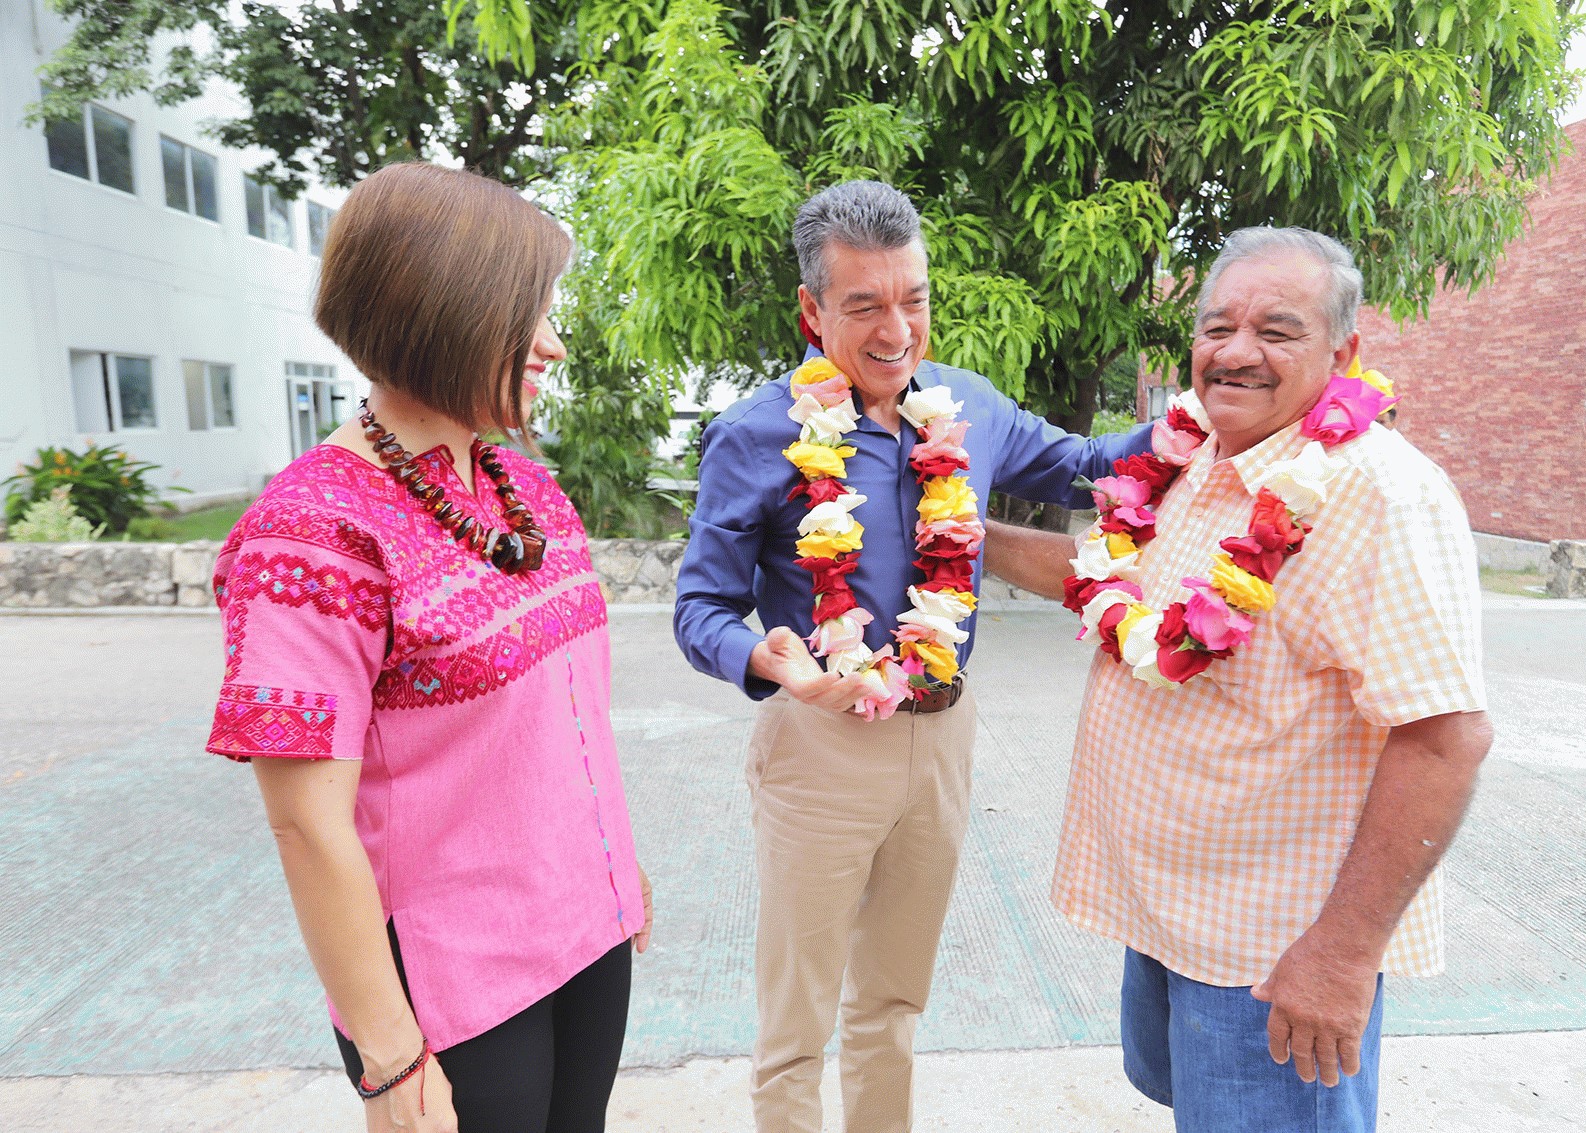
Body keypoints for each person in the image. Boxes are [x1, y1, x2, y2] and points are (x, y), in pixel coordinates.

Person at [986, 226, 1493, 1133]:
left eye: (1278, 330)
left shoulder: (1382, 496)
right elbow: (1110, 584)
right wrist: (966, 542)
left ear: (1343, 353)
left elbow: (1445, 738)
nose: (1237, 351)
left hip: (1275, 952)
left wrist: (1340, 956)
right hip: (1173, 916)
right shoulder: (1196, 457)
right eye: (1217, 326)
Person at [673, 179, 1153, 1133]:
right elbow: (700, 606)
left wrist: (1209, 420)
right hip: (821, 742)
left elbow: (1091, 464)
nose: (898, 330)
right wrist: (770, 659)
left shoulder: (963, 404)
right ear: (811, 312)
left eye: (914, 298)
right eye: (865, 306)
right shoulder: (759, 433)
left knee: (893, 1002)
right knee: (797, 1019)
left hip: (942, 734)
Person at [205, 162, 652, 1133]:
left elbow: (571, 713)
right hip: (452, 975)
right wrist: (388, 1051)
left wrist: (618, 865)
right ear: (444, 311)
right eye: (527, 316)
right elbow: (304, 822)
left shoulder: (527, 493)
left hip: (586, 926)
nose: (554, 346)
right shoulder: (313, 532)